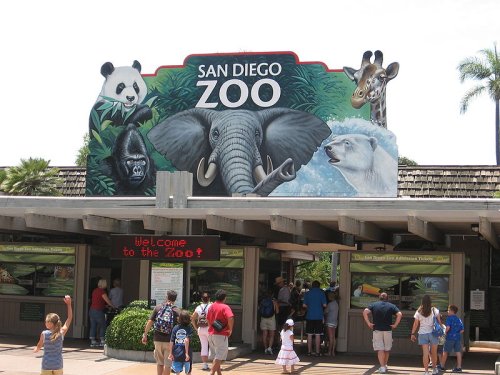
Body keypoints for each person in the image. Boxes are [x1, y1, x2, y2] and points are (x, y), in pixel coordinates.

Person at [142, 290, 181, 375]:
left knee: (159, 363)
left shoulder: (158, 307)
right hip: (169, 341)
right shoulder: (176, 310)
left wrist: (145, 335)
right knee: (168, 365)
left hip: (157, 339)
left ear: (166, 297)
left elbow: (150, 322)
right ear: (175, 299)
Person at [363, 292, 402, 374]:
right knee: (387, 349)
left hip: (377, 330)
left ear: (379, 297)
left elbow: (365, 312)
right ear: (387, 298)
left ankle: (382, 367)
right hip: (388, 330)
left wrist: (368, 323)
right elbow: (399, 314)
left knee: (380, 349)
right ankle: (384, 365)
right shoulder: (391, 306)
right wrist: (395, 324)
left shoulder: (374, 305)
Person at [34, 295, 73, 375]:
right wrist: (69, 304)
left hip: (46, 364)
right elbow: (69, 318)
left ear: (50, 323)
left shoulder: (44, 333)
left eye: (46, 321)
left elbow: (39, 345)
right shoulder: (61, 332)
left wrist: (36, 349)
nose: (45, 323)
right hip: (58, 364)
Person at [410, 294, 442, 375]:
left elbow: (415, 324)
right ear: (430, 301)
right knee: (434, 353)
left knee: (425, 353)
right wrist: (442, 331)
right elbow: (439, 322)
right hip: (433, 333)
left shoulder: (419, 311)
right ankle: (434, 369)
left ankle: (426, 371)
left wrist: (412, 333)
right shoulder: (435, 310)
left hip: (422, 333)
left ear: (422, 302)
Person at [206, 289, 234, 375]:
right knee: (220, 355)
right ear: (224, 298)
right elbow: (230, 318)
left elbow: (207, 318)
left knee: (216, 354)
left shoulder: (211, 306)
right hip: (221, 334)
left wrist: (212, 326)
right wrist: (230, 329)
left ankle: (219, 373)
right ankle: (211, 373)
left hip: (211, 333)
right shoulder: (225, 307)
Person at [303, 280, 327, 356]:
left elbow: (304, 305)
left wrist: (309, 307)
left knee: (309, 334)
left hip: (309, 316)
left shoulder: (307, 293)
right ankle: (317, 352)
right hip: (319, 316)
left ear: (312, 286)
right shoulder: (321, 293)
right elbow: (325, 305)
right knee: (318, 334)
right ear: (319, 286)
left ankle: (309, 352)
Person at [89, 278, 116, 347]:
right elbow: (107, 301)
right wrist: (113, 306)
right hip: (98, 311)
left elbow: (97, 300)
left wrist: (104, 305)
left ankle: (93, 341)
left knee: (93, 325)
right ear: (104, 284)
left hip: (92, 310)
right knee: (102, 325)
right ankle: (102, 340)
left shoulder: (95, 290)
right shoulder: (102, 291)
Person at [191, 292, 212, 371]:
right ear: (209, 299)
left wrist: (196, 328)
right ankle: (215, 364)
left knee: (204, 346)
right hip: (210, 329)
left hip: (201, 329)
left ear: (202, 299)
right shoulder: (211, 306)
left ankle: (204, 365)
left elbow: (192, 318)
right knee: (213, 346)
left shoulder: (198, 307)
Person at [440, 304, 464, 373]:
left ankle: (442, 366)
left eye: (448, 310)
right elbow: (462, 330)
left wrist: (445, 332)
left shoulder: (449, 318)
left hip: (450, 337)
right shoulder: (458, 319)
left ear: (451, 311)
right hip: (457, 338)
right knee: (458, 352)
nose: (447, 311)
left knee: (445, 352)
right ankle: (459, 367)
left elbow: (448, 327)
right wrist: (457, 333)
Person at [169, 310, 193, 375]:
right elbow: (186, 340)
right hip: (186, 354)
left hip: (176, 353)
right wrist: (187, 353)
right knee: (188, 372)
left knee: (177, 372)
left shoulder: (175, 328)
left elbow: (171, 341)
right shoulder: (189, 328)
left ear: (179, 319)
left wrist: (170, 353)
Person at [259, 289, 279, 355]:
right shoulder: (274, 302)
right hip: (271, 319)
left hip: (263, 319)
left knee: (264, 334)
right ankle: (270, 348)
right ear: (272, 295)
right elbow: (277, 311)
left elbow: (260, 310)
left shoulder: (262, 301)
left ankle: (265, 348)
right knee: (271, 335)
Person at [324, 291, 339, 357]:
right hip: (335, 322)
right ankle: (333, 352)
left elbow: (325, 312)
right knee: (333, 337)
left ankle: (329, 352)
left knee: (330, 338)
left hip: (329, 321)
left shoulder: (330, 304)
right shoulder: (336, 304)